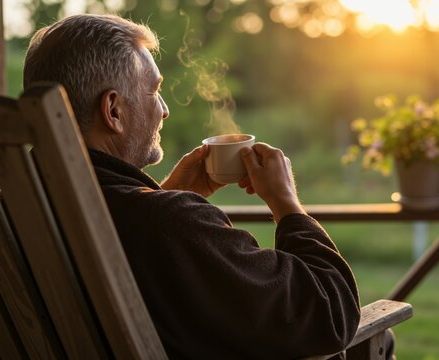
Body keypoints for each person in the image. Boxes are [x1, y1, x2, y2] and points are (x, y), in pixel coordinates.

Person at [23, 14, 362, 359]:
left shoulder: (21, 204)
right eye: (154, 90)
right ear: (113, 111)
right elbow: (330, 315)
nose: (165, 110)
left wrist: (161, 195)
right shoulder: (170, 223)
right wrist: (286, 202)